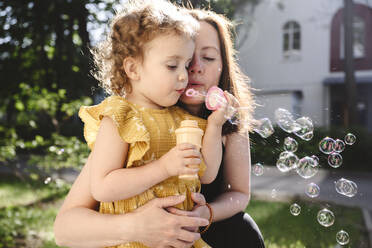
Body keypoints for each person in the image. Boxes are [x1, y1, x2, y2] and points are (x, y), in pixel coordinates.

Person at [54, 4, 265, 248]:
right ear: (136, 68)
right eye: (174, 63)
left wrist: (207, 212)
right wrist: (135, 226)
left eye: (206, 57)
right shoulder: (131, 123)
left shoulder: (220, 125)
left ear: (223, 66)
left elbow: (227, 185)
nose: (190, 71)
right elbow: (65, 228)